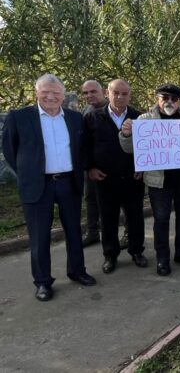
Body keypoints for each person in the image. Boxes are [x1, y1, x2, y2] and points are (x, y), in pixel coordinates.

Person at [2, 74, 97, 301]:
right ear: (37, 92)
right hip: (38, 185)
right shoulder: (20, 117)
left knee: (74, 231)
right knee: (40, 236)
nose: (51, 97)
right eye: (45, 92)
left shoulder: (74, 118)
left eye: (56, 93)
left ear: (63, 96)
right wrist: (28, 173)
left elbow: (82, 149)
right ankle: (43, 282)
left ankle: (77, 271)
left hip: (68, 182)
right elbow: (10, 150)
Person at [120, 84, 180, 276]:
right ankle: (162, 258)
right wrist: (126, 134)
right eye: (165, 97)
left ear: (179, 101)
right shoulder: (144, 121)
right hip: (159, 183)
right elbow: (129, 149)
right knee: (161, 220)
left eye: (174, 98)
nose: (169, 102)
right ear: (157, 99)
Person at [84, 79, 146, 274]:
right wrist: (90, 168)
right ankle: (110, 255)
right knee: (108, 218)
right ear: (107, 93)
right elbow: (84, 146)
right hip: (105, 178)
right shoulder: (92, 117)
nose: (120, 97)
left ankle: (137, 251)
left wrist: (143, 166)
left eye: (124, 94)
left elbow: (147, 146)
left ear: (130, 95)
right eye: (116, 93)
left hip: (133, 177)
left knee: (135, 216)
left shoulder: (139, 118)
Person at [80, 80, 107, 247]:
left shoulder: (115, 107)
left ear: (103, 91)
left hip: (115, 165)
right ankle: (92, 232)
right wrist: (88, 166)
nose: (89, 95)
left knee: (121, 201)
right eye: (85, 93)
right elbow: (84, 143)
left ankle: (127, 232)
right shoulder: (85, 111)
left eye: (93, 91)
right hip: (92, 167)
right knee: (90, 199)